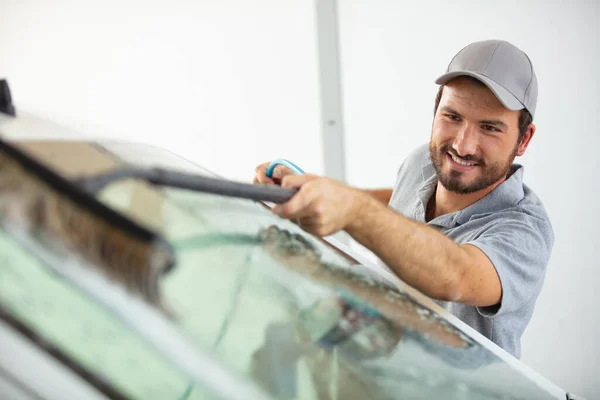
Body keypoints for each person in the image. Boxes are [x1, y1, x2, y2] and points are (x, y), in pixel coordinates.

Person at [253, 39, 553, 359]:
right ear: (435, 109)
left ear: (524, 139)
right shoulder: (424, 162)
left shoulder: (525, 233)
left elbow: (456, 275)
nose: (463, 146)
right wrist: (309, 192)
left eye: (490, 128)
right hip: (377, 362)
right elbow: (397, 202)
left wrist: (352, 209)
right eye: (452, 117)